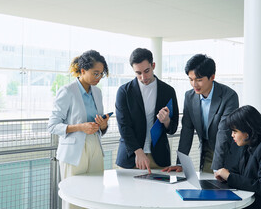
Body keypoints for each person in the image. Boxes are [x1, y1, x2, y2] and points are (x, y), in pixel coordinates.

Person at [48, 50, 110, 209]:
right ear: (83, 71)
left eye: (101, 74)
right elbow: (53, 125)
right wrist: (80, 127)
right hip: (74, 152)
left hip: (95, 147)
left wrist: (103, 125)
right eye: (95, 73)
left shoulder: (97, 92)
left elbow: (99, 125)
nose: (98, 78)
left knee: (96, 196)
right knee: (74, 200)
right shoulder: (68, 91)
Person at [163, 54, 240, 173]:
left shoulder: (229, 96)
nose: (194, 84)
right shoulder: (189, 97)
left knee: (221, 187)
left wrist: (217, 169)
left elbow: (223, 133)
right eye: (191, 79)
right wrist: (180, 163)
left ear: (212, 77)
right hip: (206, 150)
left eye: (199, 80)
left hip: (227, 152)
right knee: (206, 185)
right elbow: (187, 130)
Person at [115, 48, 179, 173]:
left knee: (158, 193)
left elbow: (173, 128)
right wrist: (138, 151)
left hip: (159, 158)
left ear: (153, 65)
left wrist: (166, 121)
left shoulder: (168, 91)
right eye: (138, 73)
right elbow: (124, 126)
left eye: (146, 71)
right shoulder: (124, 92)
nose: (143, 77)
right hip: (131, 157)